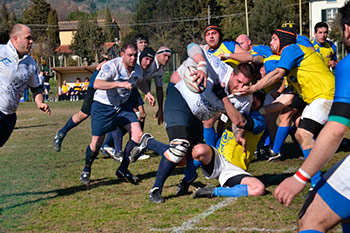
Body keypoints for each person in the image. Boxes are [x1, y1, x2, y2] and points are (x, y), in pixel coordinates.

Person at [130, 43, 258, 203]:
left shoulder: (245, 97)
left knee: (193, 156)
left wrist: (227, 104)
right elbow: (192, 46)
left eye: (246, 84)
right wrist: (202, 66)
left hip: (197, 116)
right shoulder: (219, 68)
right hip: (180, 99)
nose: (241, 87)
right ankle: (155, 190)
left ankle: (151, 145)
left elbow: (238, 121)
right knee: (179, 148)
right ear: (232, 75)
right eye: (239, 82)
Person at [274, 3, 350, 232]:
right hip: (311, 99)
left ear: (347, 29)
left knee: (310, 220)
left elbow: (337, 129)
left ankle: (313, 179)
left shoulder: (344, 65)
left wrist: (299, 177)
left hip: (322, 97)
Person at [236, 23, 335, 189]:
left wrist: (252, 88)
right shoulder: (292, 65)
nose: (270, 43)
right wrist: (259, 111)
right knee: (301, 134)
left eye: (274, 39)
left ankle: (317, 182)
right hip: (319, 98)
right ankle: (319, 179)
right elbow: (287, 99)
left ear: (283, 41)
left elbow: (277, 74)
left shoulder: (291, 49)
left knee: (303, 133)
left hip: (326, 95)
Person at [79, 42, 155, 185]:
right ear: (122, 55)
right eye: (130, 55)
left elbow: (140, 81)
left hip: (123, 106)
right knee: (96, 143)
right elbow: (97, 84)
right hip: (103, 106)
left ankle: (123, 168)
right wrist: (119, 84)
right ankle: (87, 168)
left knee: (138, 134)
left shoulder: (137, 69)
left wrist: (148, 93)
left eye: (135, 55)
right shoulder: (112, 66)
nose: (133, 58)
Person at [192, 92, 266, 199]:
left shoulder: (258, 119)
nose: (253, 100)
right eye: (250, 97)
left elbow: (241, 122)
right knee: (198, 150)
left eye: (257, 98)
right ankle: (188, 177)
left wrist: (225, 101)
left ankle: (213, 191)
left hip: (232, 169)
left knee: (258, 188)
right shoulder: (234, 110)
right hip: (218, 158)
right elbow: (208, 122)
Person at [0, 24, 51, 147]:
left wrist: (40, 102)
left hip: (9, 117)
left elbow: (36, 88)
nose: (32, 41)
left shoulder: (30, 63)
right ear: (15, 38)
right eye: (28, 38)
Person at [53, 55, 110, 152]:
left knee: (109, 117)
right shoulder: (104, 65)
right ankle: (61, 133)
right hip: (94, 90)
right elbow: (99, 67)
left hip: (106, 92)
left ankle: (107, 146)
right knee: (83, 114)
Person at [142, 46, 172, 125]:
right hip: (128, 87)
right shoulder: (149, 62)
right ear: (157, 55)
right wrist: (147, 92)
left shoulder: (159, 69)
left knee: (140, 116)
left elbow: (159, 88)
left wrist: (160, 108)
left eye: (169, 57)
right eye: (164, 55)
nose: (167, 59)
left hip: (136, 88)